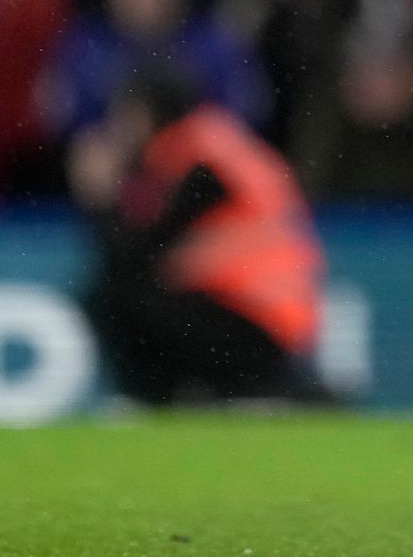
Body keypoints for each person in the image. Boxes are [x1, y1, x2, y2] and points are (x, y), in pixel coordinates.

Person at [72, 67, 332, 406]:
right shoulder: (216, 146)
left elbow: (135, 254)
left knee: (112, 296)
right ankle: (240, 390)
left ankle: (157, 400)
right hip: (266, 318)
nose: (120, 131)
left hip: (255, 320)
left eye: (126, 117)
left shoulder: (200, 164)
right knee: (131, 293)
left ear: (150, 114)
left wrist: (98, 200)